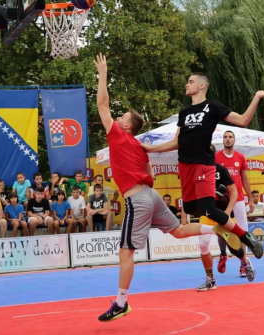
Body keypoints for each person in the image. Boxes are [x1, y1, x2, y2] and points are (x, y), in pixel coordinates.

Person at [94, 54, 234, 322]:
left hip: (138, 198)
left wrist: (103, 73)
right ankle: (215, 227)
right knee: (179, 231)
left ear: (126, 126)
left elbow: (102, 103)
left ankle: (121, 303)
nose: (117, 117)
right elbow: (150, 173)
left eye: (121, 117)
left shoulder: (118, 135)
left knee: (126, 252)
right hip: (152, 195)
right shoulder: (138, 146)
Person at [143, 71, 264, 260]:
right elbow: (175, 142)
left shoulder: (213, 107)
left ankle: (246, 236)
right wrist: (149, 149)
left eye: (190, 81)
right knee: (191, 208)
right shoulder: (184, 112)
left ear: (202, 86)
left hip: (203, 164)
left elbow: (243, 120)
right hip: (184, 166)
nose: (187, 84)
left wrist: (257, 97)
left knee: (209, 209)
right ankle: (218, 199)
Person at [215, 130, 254, 277]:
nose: (228, 139)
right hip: (222, 201)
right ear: (223, 140)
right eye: (225, 137)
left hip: (238, 200)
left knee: (242, 232)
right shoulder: (216, 157)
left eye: (230, 137)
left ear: (234, 140)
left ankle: (243, 265)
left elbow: (245, 179)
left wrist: (250, 198)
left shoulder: (240, 157)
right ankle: (223, 254)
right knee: (222, 231)